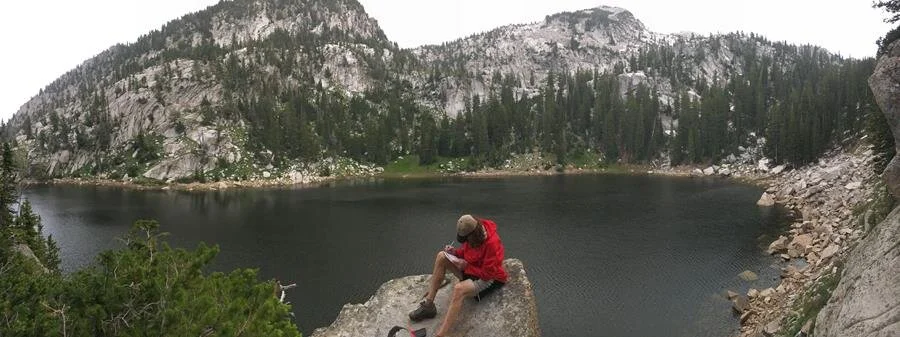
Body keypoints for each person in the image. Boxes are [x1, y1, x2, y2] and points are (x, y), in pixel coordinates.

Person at [408, 214, 508, 337]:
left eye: (466, 239)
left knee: (459, 289)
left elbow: (488, 274)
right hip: (472, 270)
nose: (465, 242)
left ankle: (441, 335)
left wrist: (466, 267)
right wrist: (454, 252)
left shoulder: (492, 243)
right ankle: (429, 305)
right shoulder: (474, 234)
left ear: (472, 235)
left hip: (489, 279)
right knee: (441, 256)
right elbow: (467, 252)